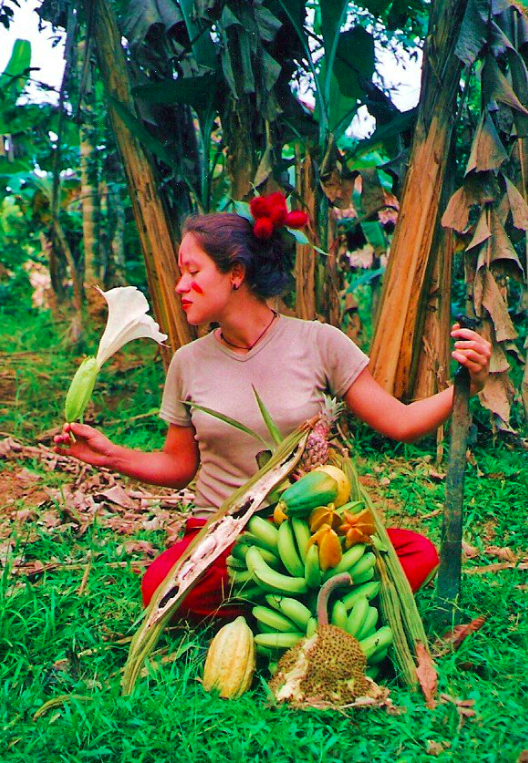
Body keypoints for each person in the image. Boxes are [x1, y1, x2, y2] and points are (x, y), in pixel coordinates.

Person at [54, 192, 491, 623]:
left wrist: (466, 386)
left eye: (192, 271)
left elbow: (400, 422)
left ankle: (274, 608)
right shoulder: (187, 363)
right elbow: (179, 465)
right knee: (161, 587)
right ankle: (312, 609)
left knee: (417, 553)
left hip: (309, 529)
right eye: (179, 273)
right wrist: (109, 455)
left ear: (236, 274)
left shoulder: (319, 342)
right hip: (221, 537)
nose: (179, 286)